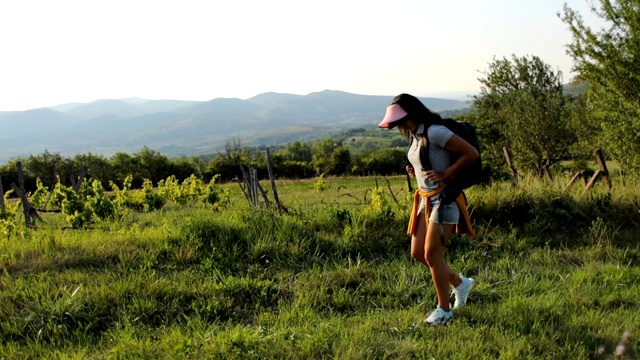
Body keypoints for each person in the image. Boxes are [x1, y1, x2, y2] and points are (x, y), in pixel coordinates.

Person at [378, 93, 478, 325]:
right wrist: (417, 171)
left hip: (445, 199)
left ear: (411, 114)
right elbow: (427, 160)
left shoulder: (435, 131)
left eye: (400, 120)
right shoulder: (416, 135)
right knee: (418, 254)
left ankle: (444, 311)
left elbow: (471, 154)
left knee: (432, 255)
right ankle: (460, 283)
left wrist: (446, 174)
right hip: (425, 200)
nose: (398, 126)